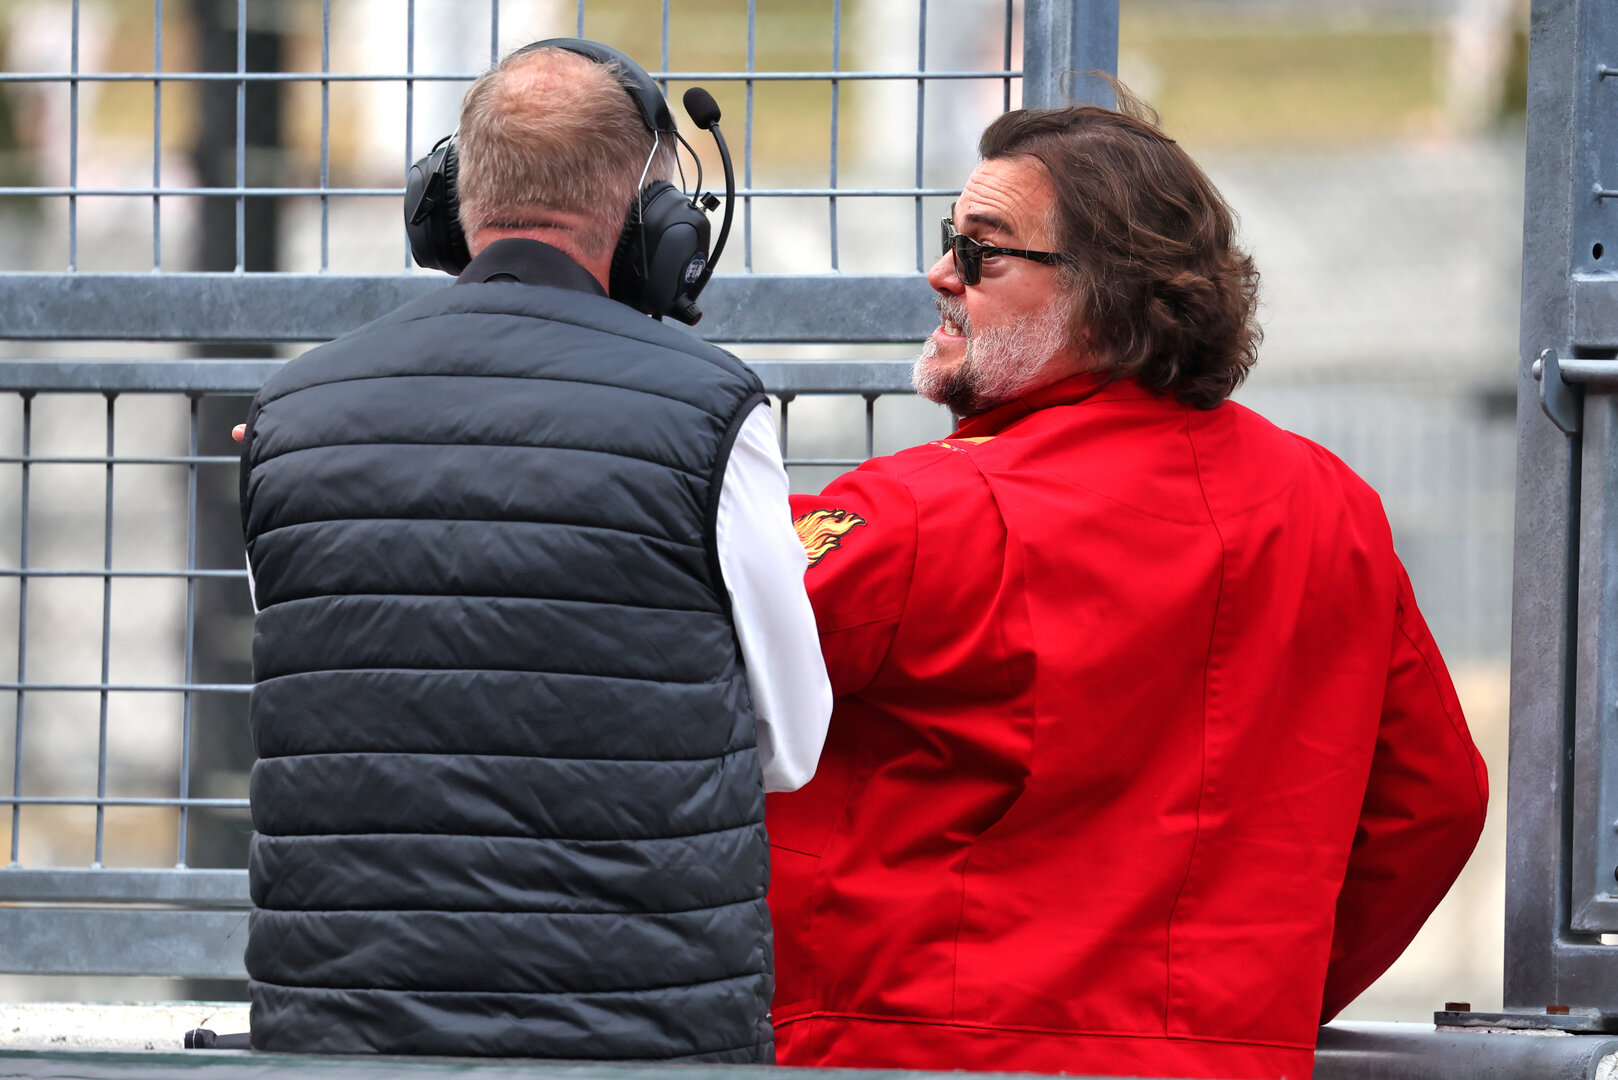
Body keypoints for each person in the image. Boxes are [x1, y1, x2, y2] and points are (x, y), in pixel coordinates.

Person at [766, 87, 1488, 1080]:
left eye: (980, 248)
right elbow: (1433, 800)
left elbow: (662, 697)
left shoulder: (918, 514)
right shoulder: (1332, 510)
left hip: (913, 1050)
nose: (939, 273)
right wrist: (1257, 995)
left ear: (1105, 288)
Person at [236, 41, 830, 1062]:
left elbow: (324, 679)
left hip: (343, 1031)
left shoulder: (292, 411)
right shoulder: (712, 409)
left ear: (446, 201)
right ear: (657, 225)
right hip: (640, 1024)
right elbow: (791, 739)